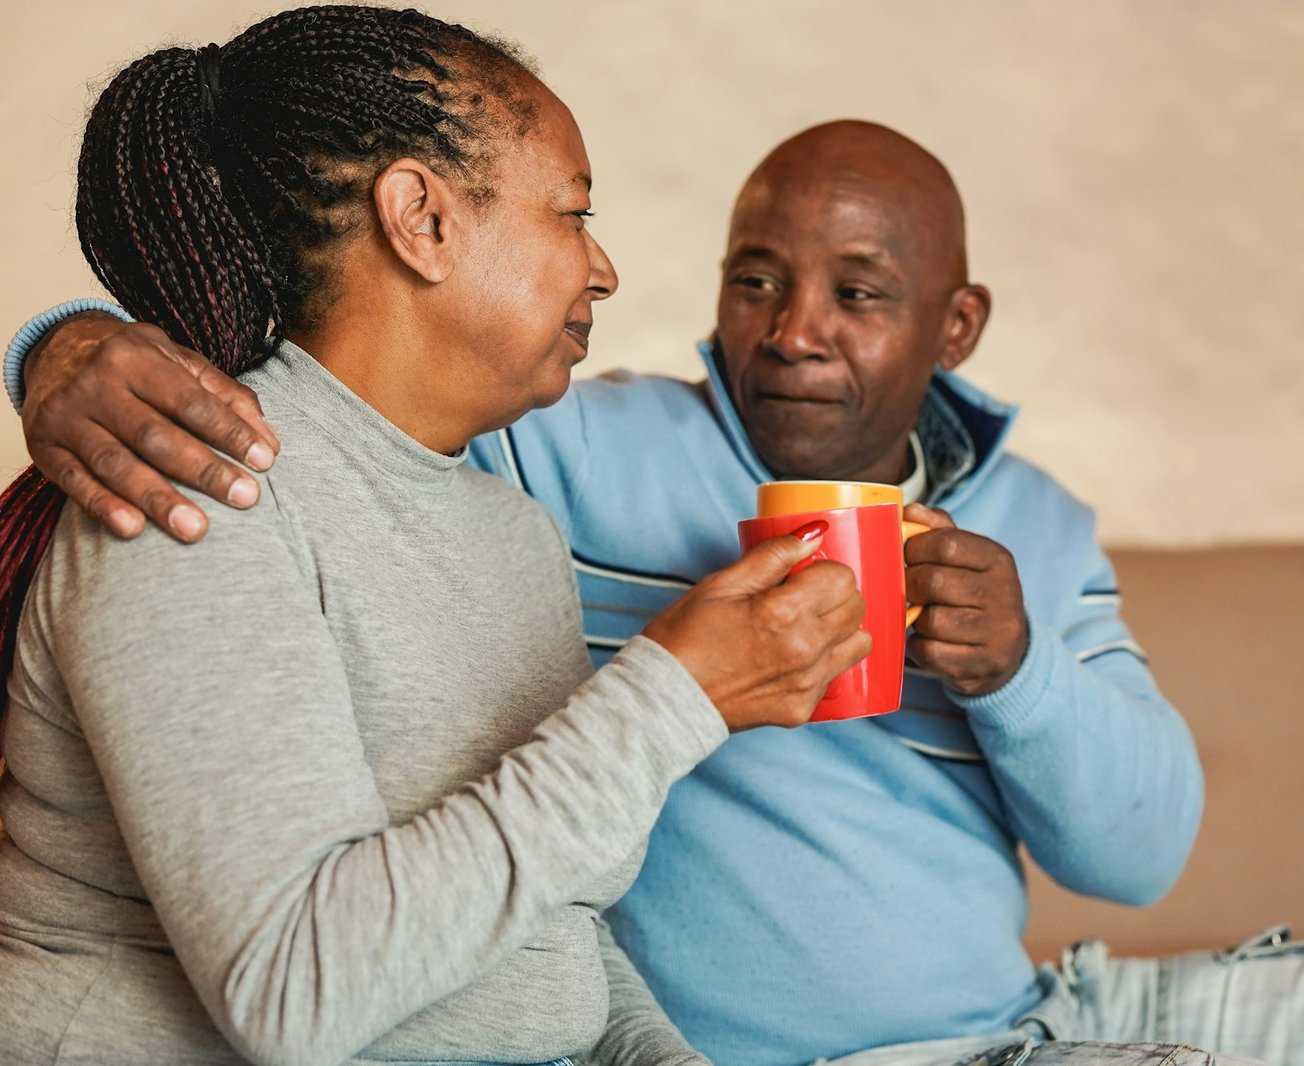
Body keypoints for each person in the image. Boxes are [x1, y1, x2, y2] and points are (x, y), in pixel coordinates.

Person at [6, 117, 1304, 1066]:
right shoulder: (578, 454)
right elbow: (351, 403)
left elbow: (1139, 854)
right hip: (793, 1051)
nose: (793, 331)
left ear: (955, 323)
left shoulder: (1037, 528)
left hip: (1032, 1009)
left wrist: (1016, 669)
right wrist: (62, 342)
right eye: (757, 277)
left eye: (860, 294)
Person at [0, 8, 873, 1065]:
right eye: (571, 212)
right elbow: (293, 990)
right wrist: (675, 695)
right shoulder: (196, 486)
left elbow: (548, 936)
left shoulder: (513, 529)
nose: (601, 270)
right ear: (421, 217)